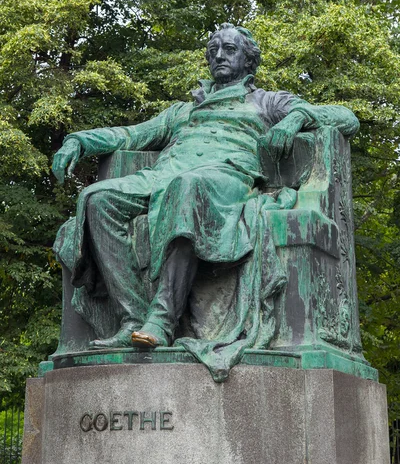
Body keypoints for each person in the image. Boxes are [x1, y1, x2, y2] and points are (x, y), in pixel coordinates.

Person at [52, 23, 359, 380]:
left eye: (229, 49)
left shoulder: (267, 102)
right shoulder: (183, 110)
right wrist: (79, 140)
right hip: (163, 177)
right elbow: (130, 134)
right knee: (96, 198)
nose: (219, 56)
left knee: (188, 187)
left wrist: (296, 118)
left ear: (248, 60)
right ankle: (132, 317)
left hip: (223, 180)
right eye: (213, 50)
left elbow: (345, 117)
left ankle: (162, 319)